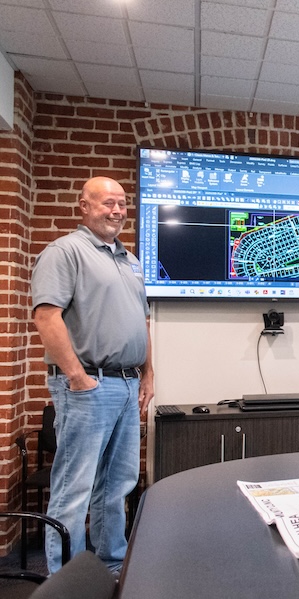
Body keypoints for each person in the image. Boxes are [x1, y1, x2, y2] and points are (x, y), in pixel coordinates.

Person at [31, 176, 155, 575]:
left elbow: (142, 323)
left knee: (117, 485)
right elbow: (46, 316)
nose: (117, 211)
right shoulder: (64, 252)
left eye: (122, 204)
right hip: (88, 384)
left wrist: (148, 375)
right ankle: (67, 579)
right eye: (107, 203)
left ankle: (111, 567)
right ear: (83, 206)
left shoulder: (129, 260)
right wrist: (77, 378)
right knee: (75, 489)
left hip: (127, 383)